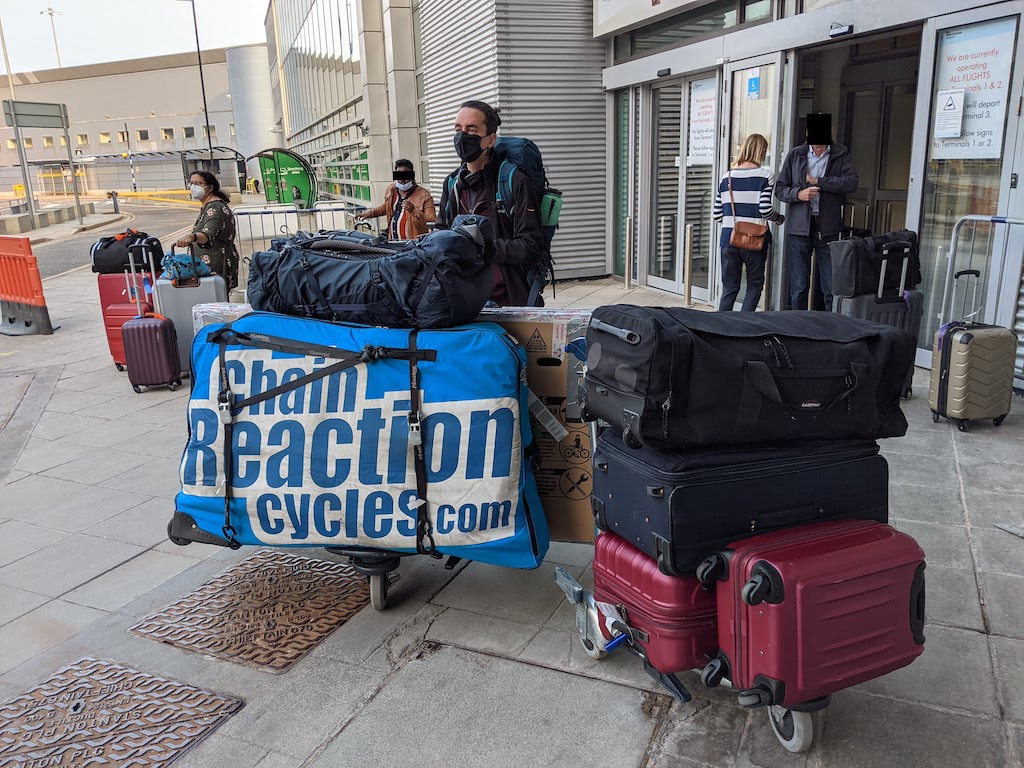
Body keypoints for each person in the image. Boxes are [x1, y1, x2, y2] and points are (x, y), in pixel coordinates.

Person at [435, 100, 546, 306]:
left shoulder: (514, 181)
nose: (462, 137)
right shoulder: (452, 183)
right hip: (462, 297)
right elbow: (442, 231)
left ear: (490, 140)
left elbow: (530, 246)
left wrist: (480, 247)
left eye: (471, 130)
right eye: (458, 129)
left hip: (508, 299)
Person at [775, 113, 859, 311]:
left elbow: (851, 182)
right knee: (799, 286)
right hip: (799, 227)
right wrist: (799, 194)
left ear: (830, 132)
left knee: (830, 286)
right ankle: (798, 330)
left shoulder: (840, 154)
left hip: (828, 227)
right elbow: (779, 189)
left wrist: (820, 182)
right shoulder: (796, 154)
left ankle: (830, 330)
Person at [712, 134, 785, 312]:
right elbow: (765, 209)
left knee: (729, 288)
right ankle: (743, 327)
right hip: (755, 239)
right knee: (754, 285)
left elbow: (716, 214)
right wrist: (779, 218)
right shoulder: (766, 176)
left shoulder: (726, 177)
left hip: (729, 238)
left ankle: (719, 328)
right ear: (762, 151)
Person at [175, 170, 239, 289]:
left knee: (216, 303)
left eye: (198, 184)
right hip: (209, 265)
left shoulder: (214, 208)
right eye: (192, 183)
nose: (193, 187)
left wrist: (192, 237)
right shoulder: (209, 206)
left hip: (215, 266)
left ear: (209, 188)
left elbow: (208, 234)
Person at [356, 159, 436, 240]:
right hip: (393, 241)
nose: (402, 180)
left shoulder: (424, 195)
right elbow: (386, 207)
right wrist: (369, 213)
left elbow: (431, 221)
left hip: (413, 243)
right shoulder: (392, 190)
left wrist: (414, 211)